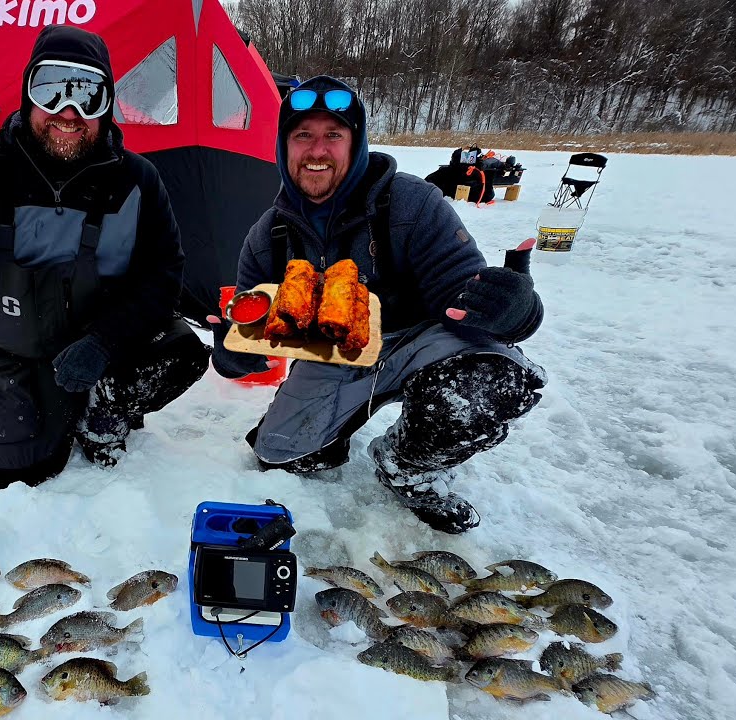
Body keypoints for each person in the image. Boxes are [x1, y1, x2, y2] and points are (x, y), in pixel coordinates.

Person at [210, 76, 546, 534]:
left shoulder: (412, 204)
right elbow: (249, 348)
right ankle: (329, 438)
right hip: (334, 354)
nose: (317, 150)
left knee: (492, 380)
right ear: (283, 148)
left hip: (422, 340)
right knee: (279, 455)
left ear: (357, 143)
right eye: (302, 135)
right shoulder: (268, 238)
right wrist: (231, 348)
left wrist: (516, 308)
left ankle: (408, 467)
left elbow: (466, 296)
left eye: (334, 135)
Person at [0, 26, 208, 487]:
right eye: (52, 91)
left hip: (98, 341)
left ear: (108, 104)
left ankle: (103, 407)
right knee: (16, 470)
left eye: (88, 95)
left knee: (182, 353)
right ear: (27, 94)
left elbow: (164, 274)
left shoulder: (138, 180)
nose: (69, 113)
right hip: (14, 345)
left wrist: (104, 342)